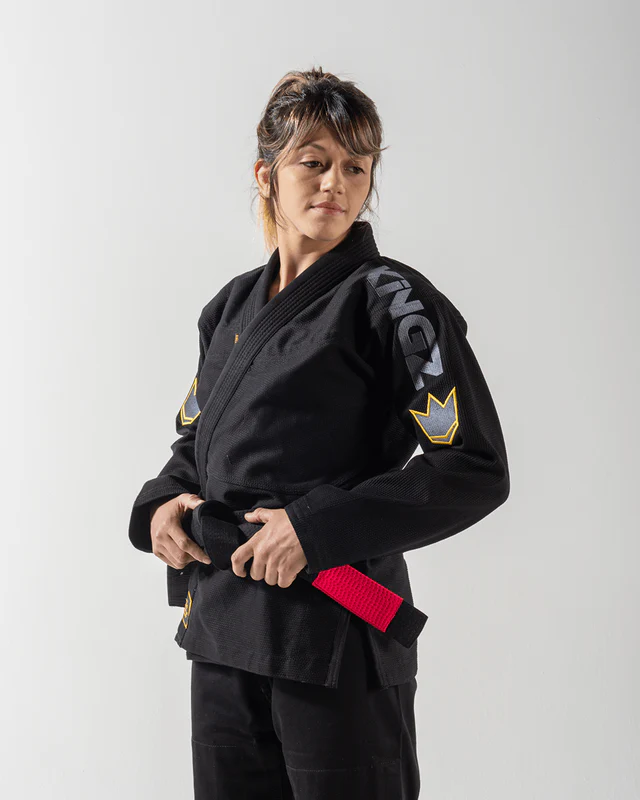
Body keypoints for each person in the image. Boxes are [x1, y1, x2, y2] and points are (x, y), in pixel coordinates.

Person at [128, 66, 510, 800]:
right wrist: (160, 506)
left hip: (336, 632)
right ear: (266, 175)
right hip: (222, 630)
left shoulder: (394, 302)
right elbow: (196, 446)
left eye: (356, 167)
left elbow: (473, 465)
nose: (336, 182)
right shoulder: (229, 308)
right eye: (314, 161)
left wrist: (314, 527)